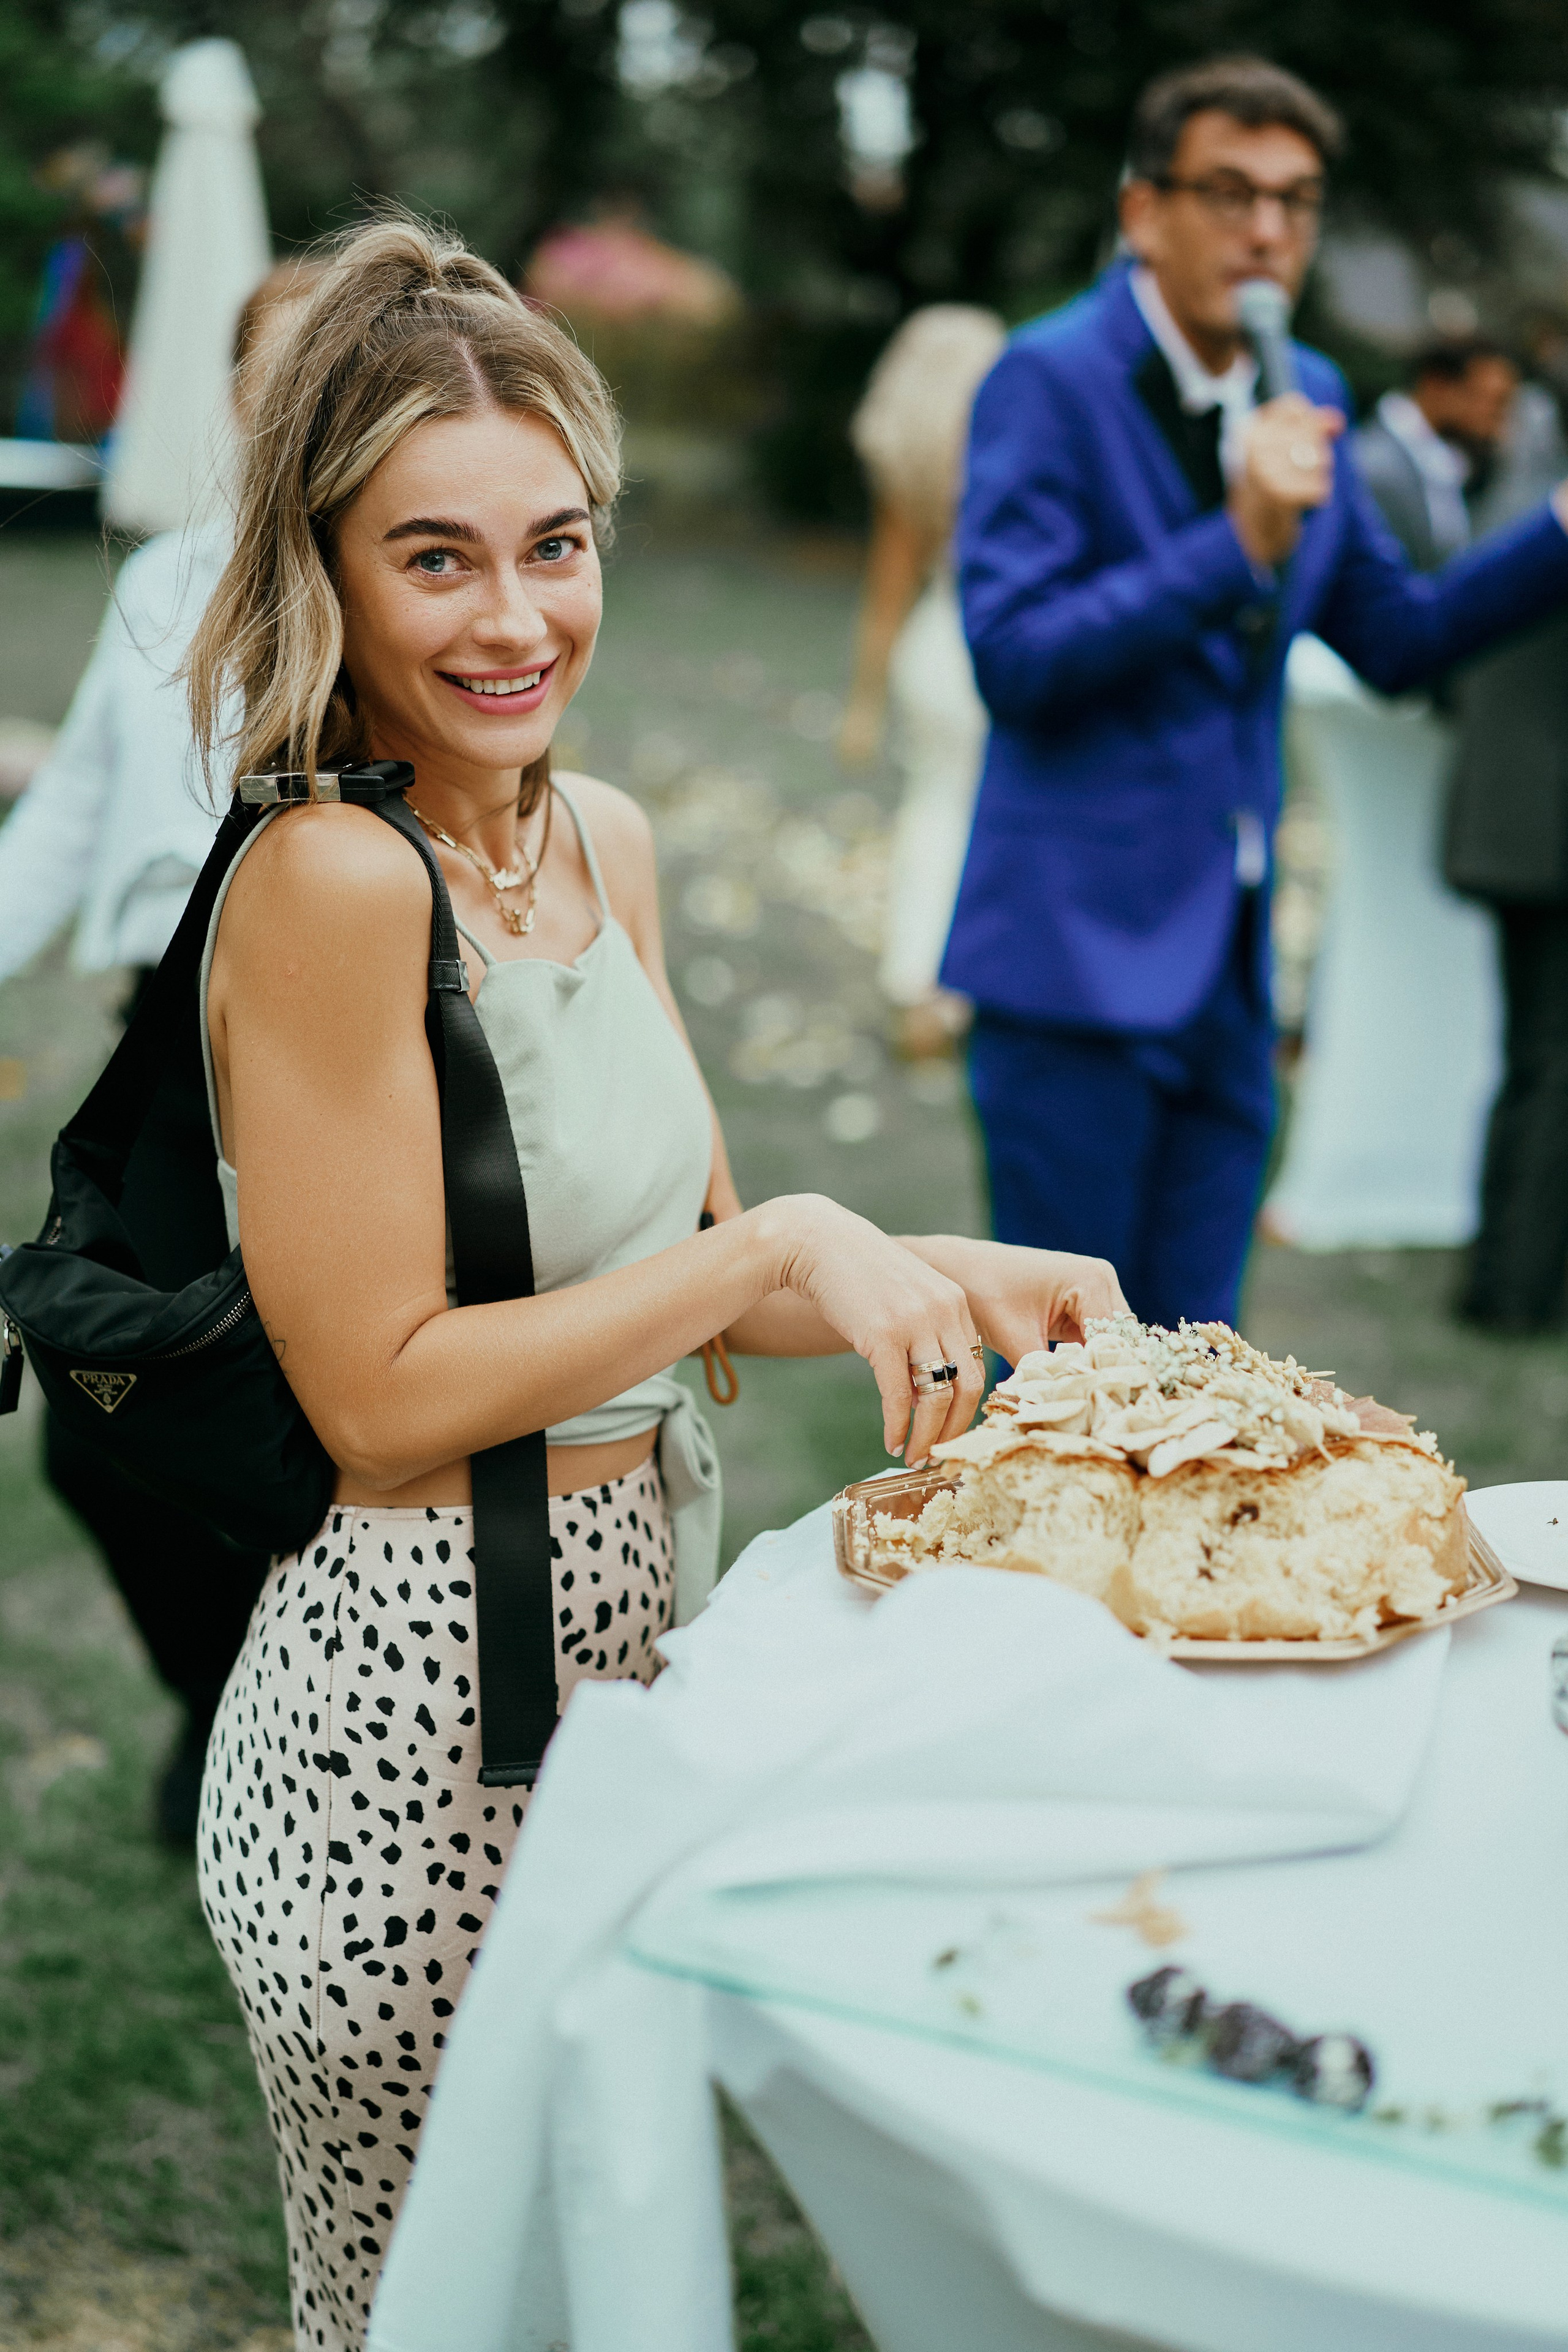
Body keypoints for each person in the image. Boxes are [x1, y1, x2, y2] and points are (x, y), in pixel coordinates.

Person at [187, 213, 1125, 2351]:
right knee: (439, 2312)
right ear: (322, 566)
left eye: (560, 541)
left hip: (630, 1670)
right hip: (405, 1724)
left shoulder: (602, 834)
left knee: (598, 2281)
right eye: (437, 558)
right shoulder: (333, 877)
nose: (520, 617)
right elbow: (389, 1397)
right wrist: (782, 1239)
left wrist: (946, 1272)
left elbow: (685, 1269)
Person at [946, 53, 1568, 1331]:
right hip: (1070, 967)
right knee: (1065, 1395)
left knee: (1203, 1377)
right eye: (1229, 192)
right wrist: (1231, 543)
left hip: (1228, 978)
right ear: (1142, 210)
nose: (1267, 228)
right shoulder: (1043, 378)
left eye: (1295, 200)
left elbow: (1397, 637)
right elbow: (1012, 659)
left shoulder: (1312, 394)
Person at [0, 258, 320, 1842]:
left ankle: (283, 1726)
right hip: (154, 1051)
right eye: (272, 385)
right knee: (92, 1419)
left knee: (277, 1413)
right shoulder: (158, 586)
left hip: (325, 1055)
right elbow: (63, 822)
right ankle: (221, 1688)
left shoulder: (387, 598)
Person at [840, 304, 1005, 1057]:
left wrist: (865, 705)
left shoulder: (907, 461)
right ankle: (965, 990)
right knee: (986, 818)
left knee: (932, 810)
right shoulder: (1012, 450)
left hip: (932, 649)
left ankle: (917, 989)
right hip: (994, 644)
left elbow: (887, 592)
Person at [1444, 336, 1568, 1328]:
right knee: (1551, 1062)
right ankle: (1517, 1290)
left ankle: (1511, 1279)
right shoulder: (1547, 503)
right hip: (1546, 828)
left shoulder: (1516, 485)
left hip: (1510, 815)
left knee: (1537, 1055)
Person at [1355, 339, 1520, 573]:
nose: (1500, 425)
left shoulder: (1447, 464)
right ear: (1436, 386)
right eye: (1494, 402)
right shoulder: (1373, 467)